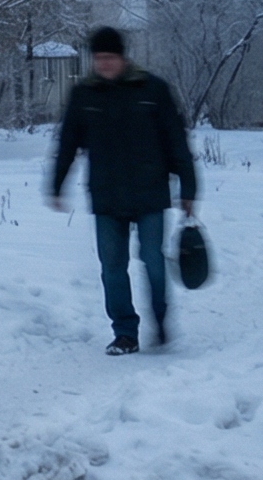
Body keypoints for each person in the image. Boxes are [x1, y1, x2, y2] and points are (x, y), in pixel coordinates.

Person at [50, 26, 198, 354]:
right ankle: (125, 333)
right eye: (98, 58)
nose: (104, 64)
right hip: (106, 195)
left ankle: (160, 319)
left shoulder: (152, 89)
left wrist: (189, 187)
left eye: (110, 57)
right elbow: (68, 142)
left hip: (149, 192)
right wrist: (57, 184)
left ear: (122, 57)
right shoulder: (83, 94)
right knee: (112, 268)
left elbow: (176, 139)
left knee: (152, 261)